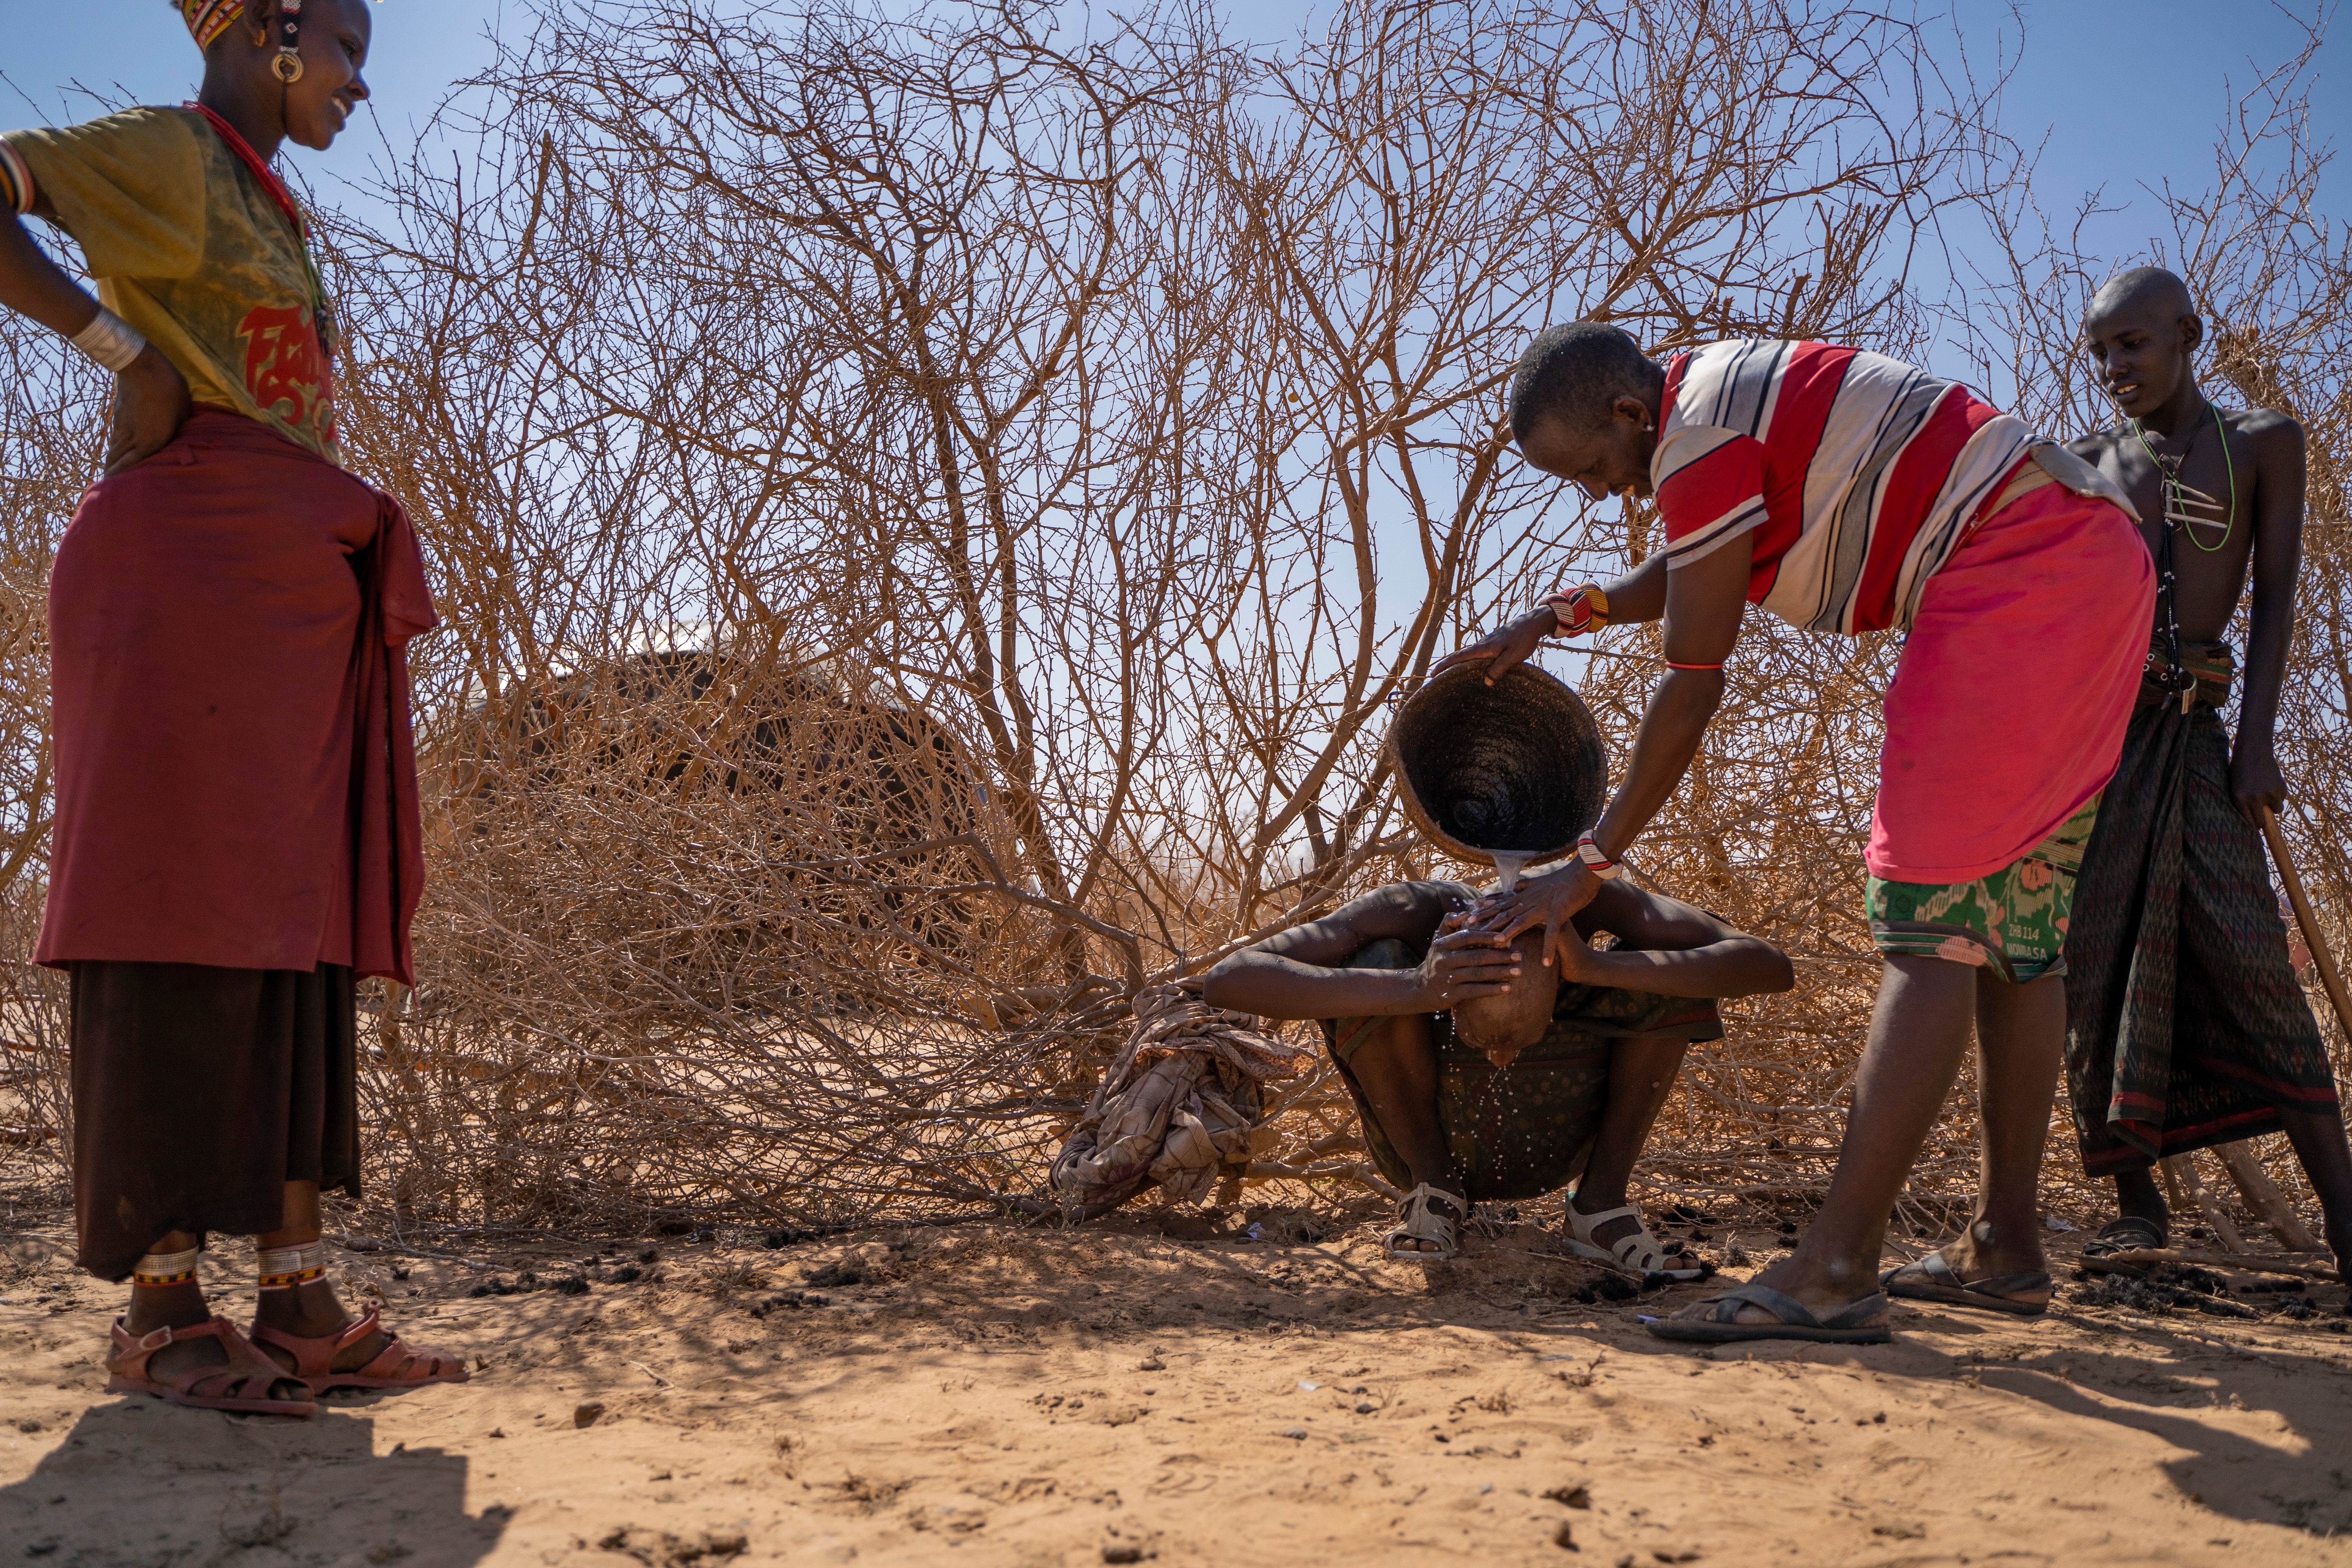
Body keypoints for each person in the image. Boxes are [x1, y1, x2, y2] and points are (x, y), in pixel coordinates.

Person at [1439, 326, 2154, 1343]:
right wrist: (1560, 617)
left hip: (2012, 570)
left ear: (1630, 417)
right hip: (2088, 558)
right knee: (2014, 937)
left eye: (1591, 468)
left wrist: (1588, 868)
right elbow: (1691, 570)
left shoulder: (1696, 440)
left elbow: (1691, 686)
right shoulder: (1711, 398)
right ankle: (2008, 1248)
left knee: (1928, 915)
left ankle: (1832, 1270)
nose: (1598, 494)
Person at [0, 0, 454, 1414]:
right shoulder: (167, 151)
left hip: (284, 587)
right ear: (268, 31)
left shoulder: (263, 199)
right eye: (346, 49)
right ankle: (160, 1307)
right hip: (179, 574)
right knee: (174, 910)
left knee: (293, 925)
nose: (359, 84)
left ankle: (301, 1299)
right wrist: (119, 356)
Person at [2062, 266, 2350, 1279]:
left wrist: (2261, 738)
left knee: (2253, 961)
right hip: (2098, 744)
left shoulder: (2263, 442)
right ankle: (2135, 1208)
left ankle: (2347, 1222)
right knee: (2092, 964)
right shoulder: (2090, 463)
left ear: (2188, 333)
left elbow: (2274, 601)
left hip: (2201, 735)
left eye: (2133, 345)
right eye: (2100, 352)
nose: (2114, 368)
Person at [1201, 878, 1791, 1265]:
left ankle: (1600, 1208)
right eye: (1483, 1039)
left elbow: (1769, 967)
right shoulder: (1412, 911)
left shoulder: (1591, 905)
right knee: (1374, 967)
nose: (1501, 1058)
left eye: (1515, 1041)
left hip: (1561, 1138)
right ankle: (1437, 1195)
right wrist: (1416, 987)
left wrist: (1592, 967)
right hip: (1429, 1143)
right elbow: (1231, 978)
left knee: (1674, 978)